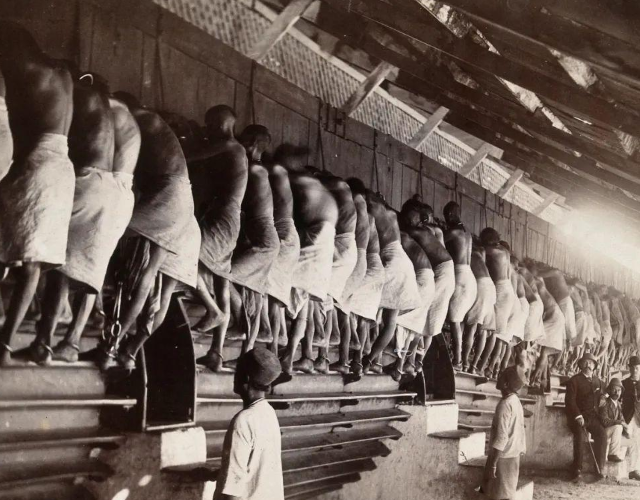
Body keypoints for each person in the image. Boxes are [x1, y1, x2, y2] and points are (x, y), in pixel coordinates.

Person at [14, 72, 135, 365]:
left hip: (95, 183)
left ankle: (43, 339)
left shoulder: (97, 101)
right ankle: (69, 341)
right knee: (90, 271)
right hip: (118, 191)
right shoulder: (121, 114)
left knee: (57, 262)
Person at [0, 22, 75, 365]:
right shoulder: (60, 73)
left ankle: (4, 345)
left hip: (39, 162)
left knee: (26, 261)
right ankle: (7, 343)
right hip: (61, 166)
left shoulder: (27, 72)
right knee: (33, 261)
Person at [192, 105, 248, 372]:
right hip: (228, 216)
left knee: (186, 255)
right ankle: (216, 352)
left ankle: (212, 310)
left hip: (224, 215)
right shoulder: (234, 150)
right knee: (220, 280)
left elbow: (190, 156)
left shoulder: (229, 145)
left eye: (210, 125)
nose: (208, 130)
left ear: (219, 124)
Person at [228, 125, 280, 352]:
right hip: (264, 241)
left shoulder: (254, 170)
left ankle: (241, 322)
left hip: (265, 243)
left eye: (247, 140)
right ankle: (247, 351)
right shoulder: (258, 169)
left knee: (222, 275)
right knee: (254, 293)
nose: (243, 144)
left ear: (256, 143)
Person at [213, 347, 284, 500]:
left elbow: (232, 493)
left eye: (237, 371)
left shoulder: (243, 421)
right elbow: (254, 469)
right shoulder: (268, 412)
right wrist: (216, 474)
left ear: (245, 378)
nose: (234, 376)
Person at [481, 365, 526, 500]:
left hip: (503, 457)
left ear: (506, 384)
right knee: (507, 494)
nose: (498, 377)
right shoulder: (515, 401)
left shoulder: (505, 404)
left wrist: (493, 464)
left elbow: (502, 437)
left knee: (498, 495)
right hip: (513, 455)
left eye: (501, 376)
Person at [475, 228, 514, 380]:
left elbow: (479, 250)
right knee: (495, 332)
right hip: (506, 289)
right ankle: (486, 366)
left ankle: (482, 367)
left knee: (492, 331)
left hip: (501, 289)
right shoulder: (504, 250)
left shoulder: (492, 250)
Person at [443, 201, 476, 370]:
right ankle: (461, 360)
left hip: (460, 275)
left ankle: (457, 361)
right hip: (469, 276)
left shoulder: (453, 232)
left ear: (449, 215)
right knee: (459, 320)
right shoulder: (467, 234)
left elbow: (437, 241)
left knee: (454, 320)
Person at [565, 352, 607, 481]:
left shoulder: (598, 382)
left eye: (591, 363)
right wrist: (578, 416)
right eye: (586, 362)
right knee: (579, 435)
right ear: (581, 365)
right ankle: (577, 469)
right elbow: (570, 401)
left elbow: (604, 394)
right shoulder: (574, 381)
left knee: (602, 434)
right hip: (578, 417)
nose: (588, 365)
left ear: (594, 366)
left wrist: (603, 397)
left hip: (593, 418)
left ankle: (600, 467)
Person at [463, 236, 496, 374]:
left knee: (472, 326)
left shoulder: (468, 252)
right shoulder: (481, 253)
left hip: (482, 285)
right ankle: (474, 365)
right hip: (491, 287)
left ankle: (464, 362)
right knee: (483, 330)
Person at [598, 377, 627, 463]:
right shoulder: (605, 403)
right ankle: (612, 454)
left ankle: (618, 461)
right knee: (618, 427)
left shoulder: (618, 404)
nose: (616, 392)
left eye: (619, 390)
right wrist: (620, 422)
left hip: (613, 433)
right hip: (603, 432)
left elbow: (622, 419)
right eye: (614, 389)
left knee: (628, 436)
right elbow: (604, 421)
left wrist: (627, 429)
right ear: (609, 390)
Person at [622, 355, 640, 480]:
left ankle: (634, 470)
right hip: (626, 416)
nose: (635, 370)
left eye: (637, 368)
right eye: (632, 368)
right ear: (629, 368)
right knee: (623, 440)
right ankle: (617, 469)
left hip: (638, 417)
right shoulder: (624, 383)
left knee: (637, 443)